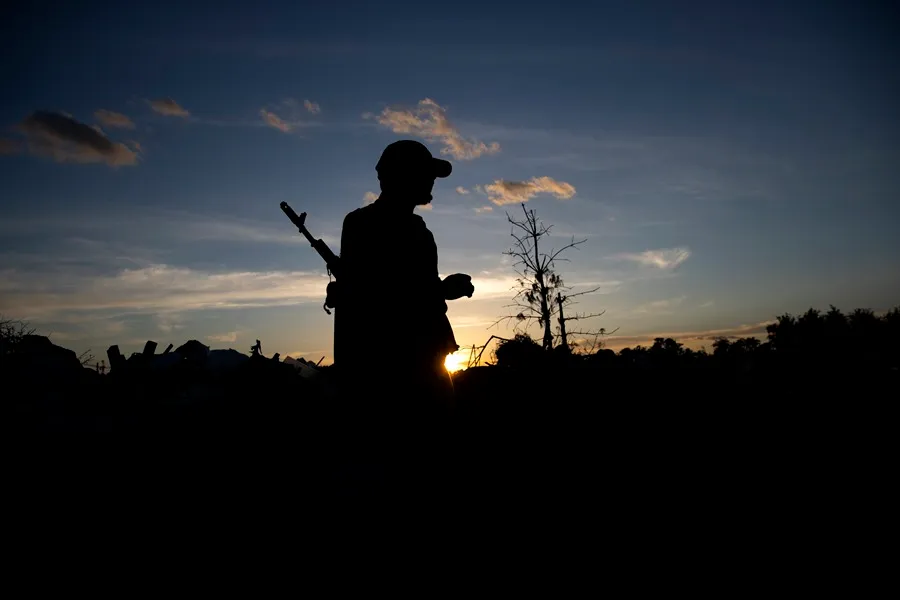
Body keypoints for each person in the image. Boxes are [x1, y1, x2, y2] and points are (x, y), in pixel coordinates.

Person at [334, 140, 475, 430]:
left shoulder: (421, 232)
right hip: (390, 377)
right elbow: (377, 296)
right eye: (425, 173)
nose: (431, 180)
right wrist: (442, 290)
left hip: (430, 362)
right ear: (402, 176)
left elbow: (417, 291)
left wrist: (442, 290)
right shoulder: (363, 224)